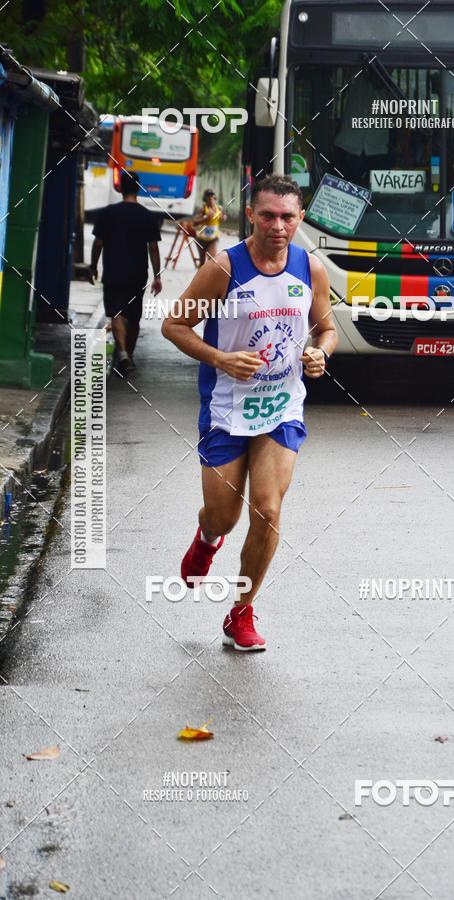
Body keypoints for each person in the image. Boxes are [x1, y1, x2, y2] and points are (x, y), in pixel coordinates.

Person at [161, 174, 337, 651]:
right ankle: (207, 538)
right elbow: (173, 325)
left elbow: (327, 329)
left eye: (287, 216)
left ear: (300, 218)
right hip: (226, 408)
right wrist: (220, 358)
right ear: (252, 217)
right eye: (267, 215)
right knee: (224, 517)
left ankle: (242, 611)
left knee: (269, 509)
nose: (277, 225)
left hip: (282, 406)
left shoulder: (310, 268)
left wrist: (322, 352)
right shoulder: (224, 267)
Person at [90, 170, 162, 374]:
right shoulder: (148, 216)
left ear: (120, 187)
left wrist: (93, 266)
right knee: (134, 317)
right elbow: (153, 248)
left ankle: (121, 352)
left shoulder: (109, 213)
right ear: (138, 189)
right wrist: (157, 276)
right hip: (138, 274)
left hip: (113, 272)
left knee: (117, 313)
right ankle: (128, 357)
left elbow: (99, 243)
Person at [193, 188, 227, 267]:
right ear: (205, 198)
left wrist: (223, 217)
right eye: (208, 196)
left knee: (212, 259)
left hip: (213, 239)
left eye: (211, 195)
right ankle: (201, 276)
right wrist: (205, 217)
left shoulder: (219, 208)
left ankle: (209, 277)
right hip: (201, 239)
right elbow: (194, 223)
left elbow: (224, 216)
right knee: (202, 263)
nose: (210, 198)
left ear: (214, 197)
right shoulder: (203, 209)